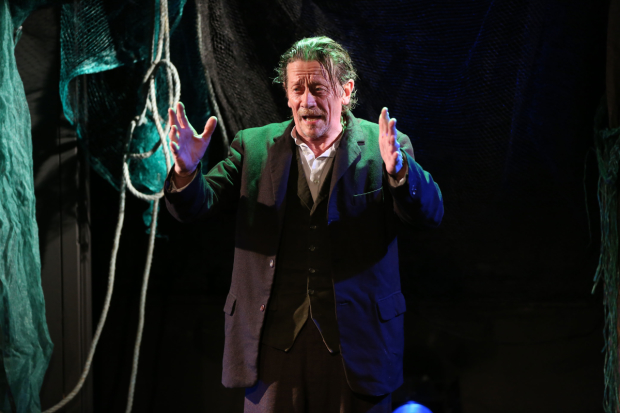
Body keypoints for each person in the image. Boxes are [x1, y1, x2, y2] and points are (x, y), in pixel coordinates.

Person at [164, 36, 443, 413]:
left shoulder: (383, 147)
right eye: (297, 89)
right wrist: (186, 170)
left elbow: (430, 214)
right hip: (271, 348)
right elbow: (197, 205)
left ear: (346, 91)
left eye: (318, 89)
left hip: (359, 347)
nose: (307, 101)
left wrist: (399, 172)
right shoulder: (253, 147)